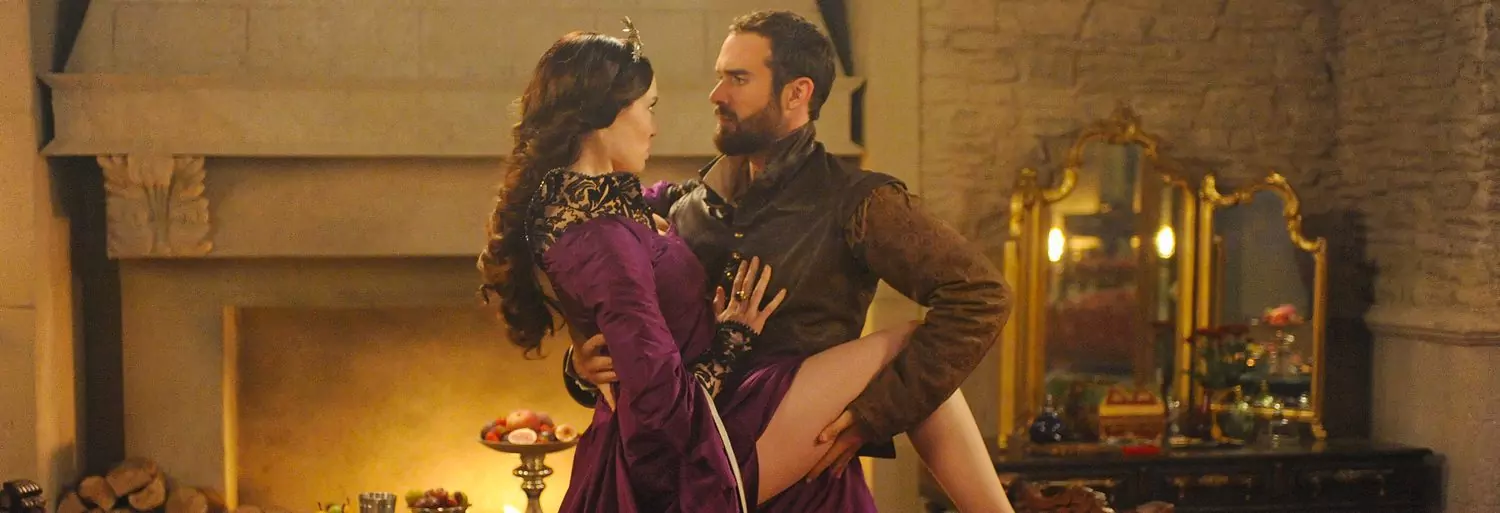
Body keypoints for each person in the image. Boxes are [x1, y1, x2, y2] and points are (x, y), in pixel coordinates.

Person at [480, 17, 1013, 513]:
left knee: (910, 346)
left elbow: (980, 295)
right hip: (706, 449)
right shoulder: (682, 206)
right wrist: (583, 365)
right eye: (719, 77)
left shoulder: (860, 203)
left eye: (737, 79)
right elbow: (627, 311)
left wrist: (875, 414)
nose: (716, 95)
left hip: (801, 470)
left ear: (797, 92)